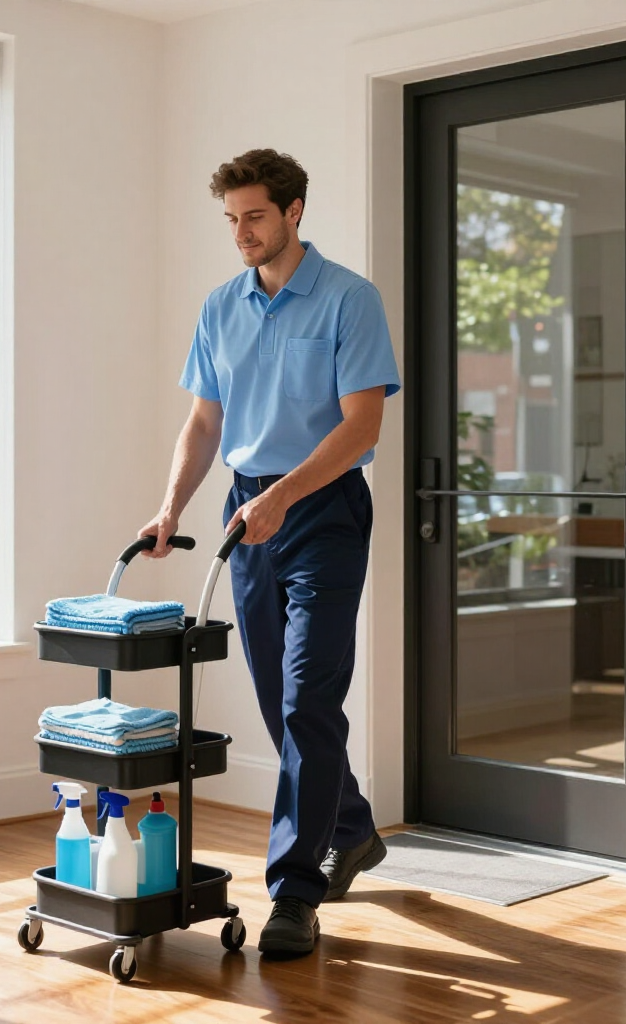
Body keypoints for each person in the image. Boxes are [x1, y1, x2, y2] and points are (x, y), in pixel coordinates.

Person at [139, 148, 401, 957]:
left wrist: (282, 497)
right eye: (232, 219)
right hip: (243, 512)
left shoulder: (350, 299)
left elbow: (361, 427)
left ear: (293, 213)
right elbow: (205, 424)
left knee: (305, 700)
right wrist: (170, 506)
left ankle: (296, 890)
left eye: (255, 215)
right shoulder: (222, 306)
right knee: (275, 701)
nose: (242, 232)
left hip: (320, 511)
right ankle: (349, 828)